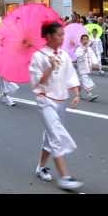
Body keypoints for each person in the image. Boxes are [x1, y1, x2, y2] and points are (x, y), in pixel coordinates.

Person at [29, 21, 83, 191]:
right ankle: (65, 177)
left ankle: (40, 167)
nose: (62, 37)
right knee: (56, 137)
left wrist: (76, 93)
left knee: (49, 137)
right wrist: (50, 67)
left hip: (61, 101)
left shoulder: (64, 55)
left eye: (63, 34)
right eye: (59, 35)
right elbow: (38, 82)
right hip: (45, 101)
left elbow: (70, 76)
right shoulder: (38, 56)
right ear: (49, 36)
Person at [75, 34, 99, 102]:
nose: (85, 41)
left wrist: (96, 63)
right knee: (85, 80)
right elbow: (77, 56)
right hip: (81, 68)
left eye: (86, 39)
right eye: (83, 39)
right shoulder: (79, 49)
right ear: (81, 41)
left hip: (87, 67)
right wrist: (83, 52)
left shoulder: (89, 49)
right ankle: (90, 95)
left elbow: (93, 56)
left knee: (81, 82)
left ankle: (79, 94)